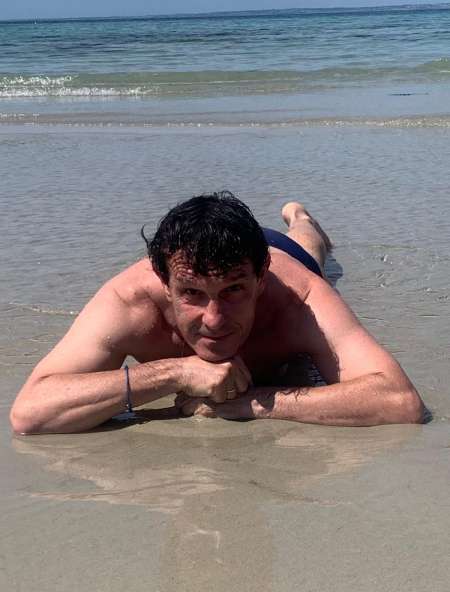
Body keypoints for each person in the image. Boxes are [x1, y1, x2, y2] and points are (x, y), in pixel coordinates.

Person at [10, 192, 424, 434]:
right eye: (191, 293)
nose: (214, 318)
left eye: (233, 291)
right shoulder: (129, 301)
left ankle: (301, 217)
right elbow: (30, 412)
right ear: (164, 281)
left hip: (281, 253)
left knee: (310, 250)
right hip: (230, 255)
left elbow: (400, 401)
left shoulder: (297, 297)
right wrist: (173, 373)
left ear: (260, 279)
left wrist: (253, 403)